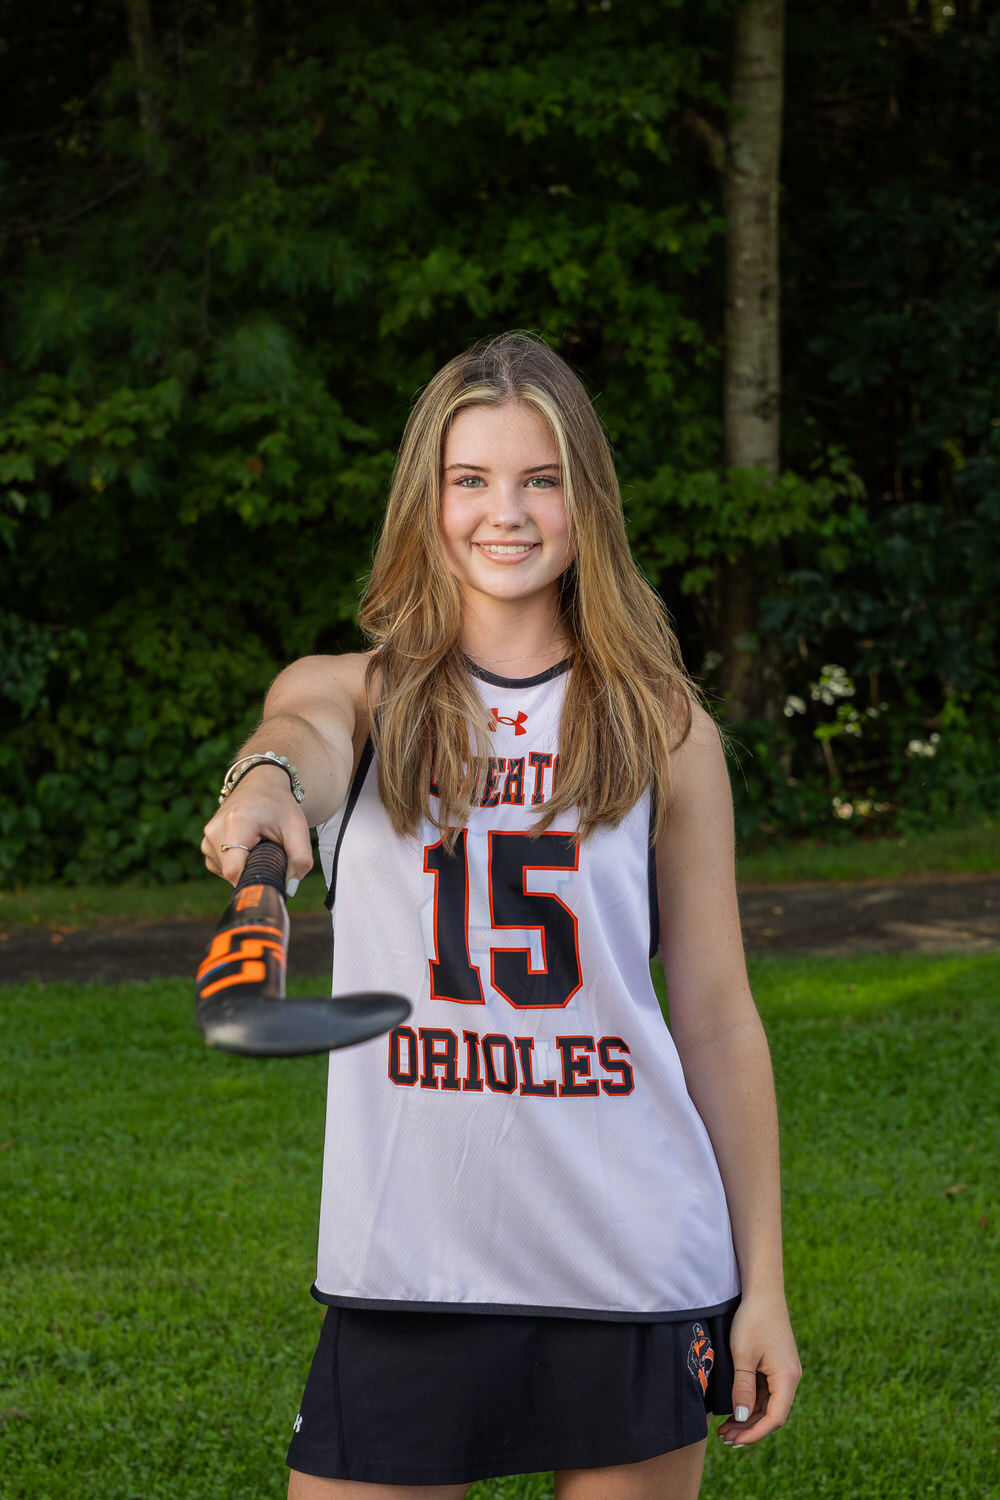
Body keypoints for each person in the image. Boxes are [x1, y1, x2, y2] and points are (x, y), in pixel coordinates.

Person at [202, 332, 801, 1500]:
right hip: (411, 1261)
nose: (505, 512)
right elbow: (297, 739)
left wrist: (762, 1284)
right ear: (426, 502)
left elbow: (720, 1021)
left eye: (540, 479)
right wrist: (264, 786)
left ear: (588, 500)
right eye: (470, 479)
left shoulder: (664, 729)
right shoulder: (366, 698)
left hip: (634, 1261)